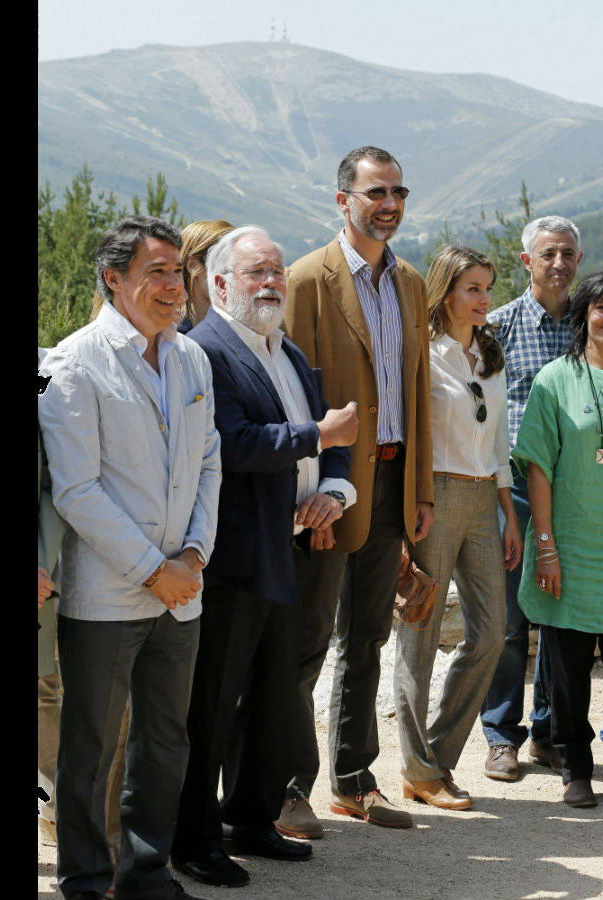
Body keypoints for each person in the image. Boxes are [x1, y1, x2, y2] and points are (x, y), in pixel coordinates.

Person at [39, 214, 223, 900]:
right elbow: (77, 489)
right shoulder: (75, 362)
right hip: (109, 592)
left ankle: (145, 873)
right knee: (91, 747)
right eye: (156, 272)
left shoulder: (191, 357)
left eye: (178, 271)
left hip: (183, 587)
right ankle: (87, 881)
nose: (174, 285)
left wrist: (195, 553)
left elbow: (210, 461)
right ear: (114, 280)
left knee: (165, 740)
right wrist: (154, 568)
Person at [172, 225, 360, 887]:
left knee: (274, 698)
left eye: (276, 270)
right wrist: (318, 436)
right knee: (212, 705)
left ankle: (250, 820)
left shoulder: (288, 349)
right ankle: (194, 841)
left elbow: (335, 440)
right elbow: (233, 443)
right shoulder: (205, 351)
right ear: (220, 282)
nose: (272, 282)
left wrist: (335, 490)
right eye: (257, 272)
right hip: (229, 557)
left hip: (288, 551)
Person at [279, 146, 434, 834]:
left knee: (367, 636)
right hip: (331, 487)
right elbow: (291, 396)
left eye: (398, 191)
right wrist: (307, 493)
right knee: (307, 639)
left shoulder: (411, 284)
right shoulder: (306, 280)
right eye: (377, 192)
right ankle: (286, 787)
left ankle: (353, 779)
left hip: (394, 479)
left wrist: (420, 489)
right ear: (343, 200)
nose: (390, 203)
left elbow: (417, 392)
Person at [391, 245, 521, 811]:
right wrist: (407, 510)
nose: (485, 298)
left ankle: (437, 758)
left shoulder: (490, 354)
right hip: (434, 496)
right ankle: (418, 770)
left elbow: (498, 442)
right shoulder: (421, 350)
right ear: (445, 293)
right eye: (473, 288)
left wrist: (509, 514)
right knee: (419, 633)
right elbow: (406, 435)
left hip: (484, 499)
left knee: (492, 632)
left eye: (488, 288)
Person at [511, 268, 603, 810]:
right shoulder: (554, 379)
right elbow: (537, 466)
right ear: (584, 312)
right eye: (602, 307)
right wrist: (546, 546)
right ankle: (575, 766)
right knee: (567, 669)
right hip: (570, 545)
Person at [478, 215, 584, 781]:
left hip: (579, 488)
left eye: (568, 253)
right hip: (514, 487)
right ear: (527, 262)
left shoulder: (591, 324)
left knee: (560, 614)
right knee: (510, 615)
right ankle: (501, 735)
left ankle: (549, 733)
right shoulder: (498, 326)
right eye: (548, 254)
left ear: (579, 260)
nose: (559, 263)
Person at [40, 347, 71, 846]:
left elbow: (53, 481)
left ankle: (51, 808)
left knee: (46, 689)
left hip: (46, 570)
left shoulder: (50, 371)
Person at [178, 219, 234, 331]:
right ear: (193, 266)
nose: (235, 275)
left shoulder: (244, 332)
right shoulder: (166, 335)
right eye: (225, 263)